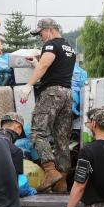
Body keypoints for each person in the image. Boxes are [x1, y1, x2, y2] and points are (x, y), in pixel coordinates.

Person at [20, 18, 76, 193]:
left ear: (50, 29)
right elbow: (54, 68)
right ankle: (62, 182)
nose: (40, 37)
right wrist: (36, 64)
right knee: (62, 139)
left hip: (52, 93)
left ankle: (50, 171)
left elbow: (46, 64)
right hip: (66, 94)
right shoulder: (69, 48)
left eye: (41, 33)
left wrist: (28, 85)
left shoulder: (51, 45)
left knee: (37, 132)